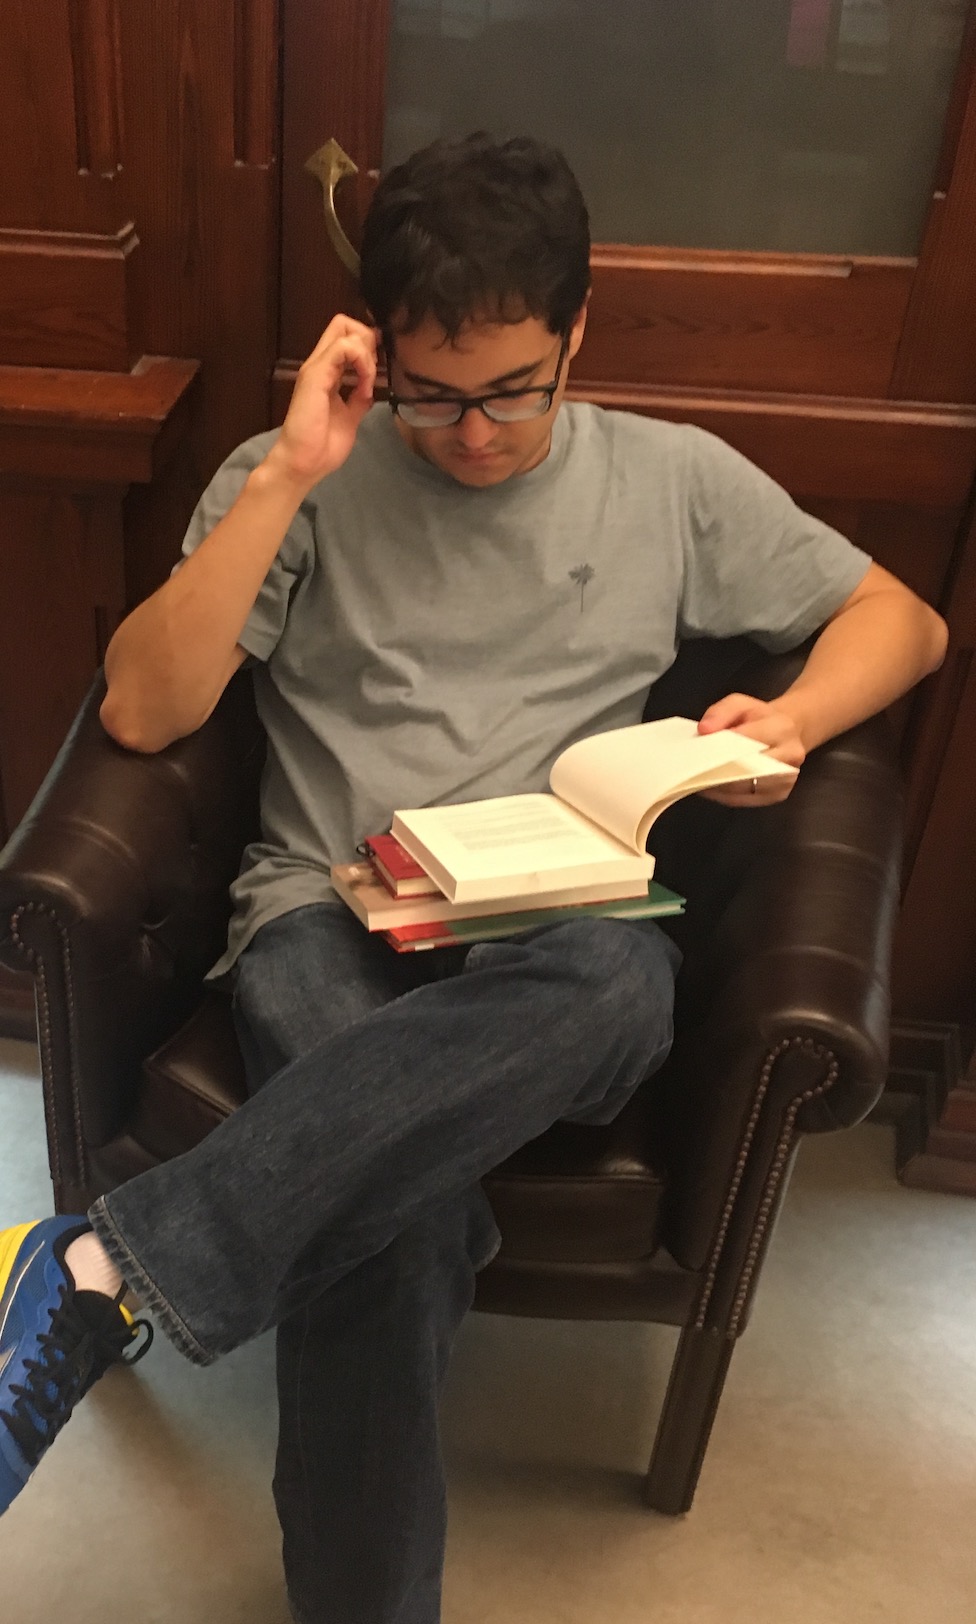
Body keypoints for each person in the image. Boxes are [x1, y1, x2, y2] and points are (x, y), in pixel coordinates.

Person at [0, 133, 946, 1622]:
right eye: (435, 395)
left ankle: (117, 1262)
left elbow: (904, 621)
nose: (477, 434)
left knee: (619, 978)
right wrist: (293, 472)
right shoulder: (296, 478)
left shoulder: (672, 481)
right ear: (378, 352)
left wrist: (795, 715)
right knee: (402, 1221)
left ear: (579, 329)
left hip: (561, 935)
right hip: (326, 909)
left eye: (515, 388)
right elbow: (140, 713)